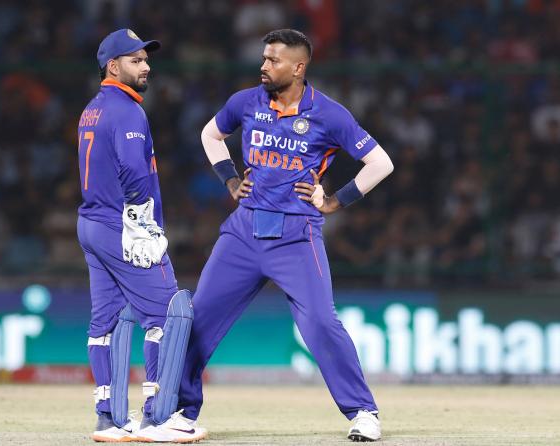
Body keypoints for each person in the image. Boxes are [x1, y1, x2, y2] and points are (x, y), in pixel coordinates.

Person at [177, 29, 394, 442]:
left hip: (296, 236)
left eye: (273, 60)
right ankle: (181, 412)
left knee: (319, 323)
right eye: (263, 58)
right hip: (242, 233)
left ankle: (363, 412)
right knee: (199, 320)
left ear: (298, 67)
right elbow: (210, 135)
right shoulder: (245, 102)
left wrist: (334, 201)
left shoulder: (329, 114)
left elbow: (380, 163)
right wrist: (228, 179)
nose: (263, 66)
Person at [76, 28, 205, 443]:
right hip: (122, 225)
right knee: (170, 312)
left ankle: (109, 420)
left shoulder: (92, 109)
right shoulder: (129, 110)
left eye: (146, 58)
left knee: (107, 323)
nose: (146, 65)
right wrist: (142, 221)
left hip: (92, 224)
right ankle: (158, 416)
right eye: (135, 60)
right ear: (112, 66)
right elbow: (133, 169)